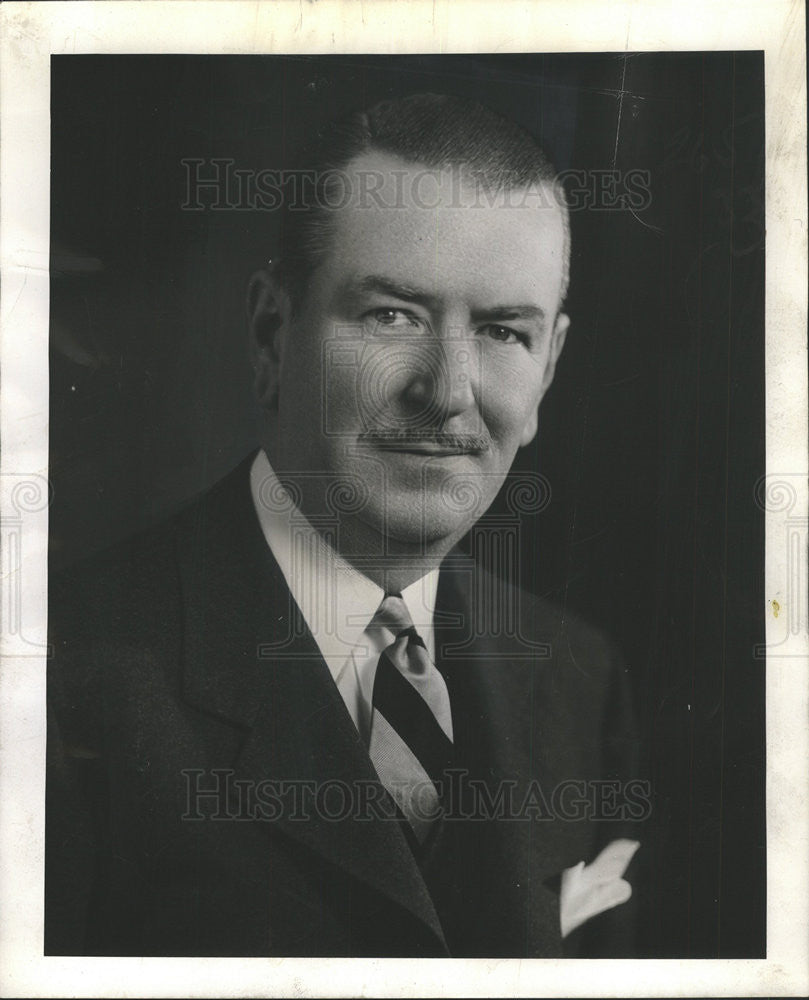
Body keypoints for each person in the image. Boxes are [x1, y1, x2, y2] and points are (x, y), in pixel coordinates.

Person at [46, 92, 645, 958]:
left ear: (547, 366)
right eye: (391, 315)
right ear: (271, 333)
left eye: (501, 332)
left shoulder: (582, 681)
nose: (445, 392)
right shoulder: (61, 679)